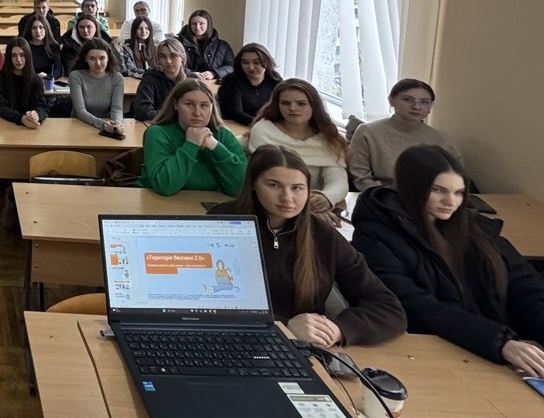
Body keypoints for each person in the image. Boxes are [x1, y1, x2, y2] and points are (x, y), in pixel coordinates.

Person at [352, 146, 544, 376]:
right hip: (436, 352)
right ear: (412, 188)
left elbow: (526, 287)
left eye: (459, 192)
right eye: (438, 190)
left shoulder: (475, 227)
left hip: (493, 348)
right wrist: (500, 342)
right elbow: (417, 308)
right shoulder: (376, 235)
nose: (451, 201)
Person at [210, 146, 404, 347]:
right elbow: (204, 306)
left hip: (301, 349)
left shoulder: (323, 234)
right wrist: (284, 327)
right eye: (274, 185)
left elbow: (388, 308)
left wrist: (337, 329)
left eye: (297, 188)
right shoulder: (219, 222)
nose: (287, 197)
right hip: (230, 343)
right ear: (253, 185)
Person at [248, 79, 350, 206]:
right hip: (272, 201)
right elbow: (268, 179)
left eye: (301, 104)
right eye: (285, 103)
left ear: (313, 106)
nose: (292, 108)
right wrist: (302, 205)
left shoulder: (328, 137)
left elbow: (338, 180)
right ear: (277, 105)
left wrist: (325, 198)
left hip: (313, 201)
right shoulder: (263, 130)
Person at [349, 78, 462, 191]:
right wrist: (383, 196)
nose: (416, 106)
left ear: (431, 106)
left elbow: (456, 176)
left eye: (424, 102)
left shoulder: (441, 139)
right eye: (408, 100)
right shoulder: (367, 131)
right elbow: (361, 176)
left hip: (429, 196)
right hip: (381, 195)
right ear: (391, 100)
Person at [138, 78, 246, 196]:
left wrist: (216, 147)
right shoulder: (157, 133)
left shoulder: (223, 135)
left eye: (204, 105)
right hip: (158, 202)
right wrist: (191, 145)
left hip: (205, 204)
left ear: (212, 107)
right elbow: (164, 186)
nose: (197, 113)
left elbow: (241, 188)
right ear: (175, 104)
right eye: (189, 104)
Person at [0, 38, 48, 128]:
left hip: (28, 126)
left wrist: (36, 114)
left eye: (22, 55)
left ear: (28, 56)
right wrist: (21, 119)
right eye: (13, 56)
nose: (18, 59)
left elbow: (41, 106)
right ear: (8, 57)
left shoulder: (36, 80)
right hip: (3, 125)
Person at [69, 38, 125, 136]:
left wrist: (117, 125)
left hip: (106, 127)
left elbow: (117, 109)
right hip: (79, 125)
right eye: (92, 58)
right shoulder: (76, 76)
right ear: (86, 59)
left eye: (102, 58)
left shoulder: (117, 78)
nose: (98, 63)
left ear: (108, 58)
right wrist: (102, 124)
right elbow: (80, 111)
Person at [217, 42, 282, 125]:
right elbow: (235, 113)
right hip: (239, 126)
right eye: (245, 62)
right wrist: (263, 126)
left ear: (266, 62)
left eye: (256, 63)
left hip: (270, 125)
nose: (251, 67)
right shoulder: (231, 81)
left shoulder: (274, 79)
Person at [131, 37, 189, 121]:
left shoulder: (191, 79)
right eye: (163, 56)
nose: (168, 61)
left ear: (182, 58)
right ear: (158, 59)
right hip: (157, 124)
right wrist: (174, 118)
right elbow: (143, 111)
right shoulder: (150, 78)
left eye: (173, 56)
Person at [177, 9, 235, 81]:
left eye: (201, 23)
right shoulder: (179, 44)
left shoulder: (223, 46)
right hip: (186, 83)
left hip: (213, 85)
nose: (197, 27)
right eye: (194, 24)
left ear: (208, 25)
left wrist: (213, 73)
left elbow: (231, 67)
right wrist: (192, 74)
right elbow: (173, 65)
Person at [22, 14, 63, 84]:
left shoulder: (53, 46)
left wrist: (48, 78)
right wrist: (36, 78)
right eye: (34, 28)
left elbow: (58, 70)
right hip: (28, 82)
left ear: (46, 29)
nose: (38, 31)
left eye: (41, 27)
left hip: (48, 82)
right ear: (29, 30)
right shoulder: (24, 46)